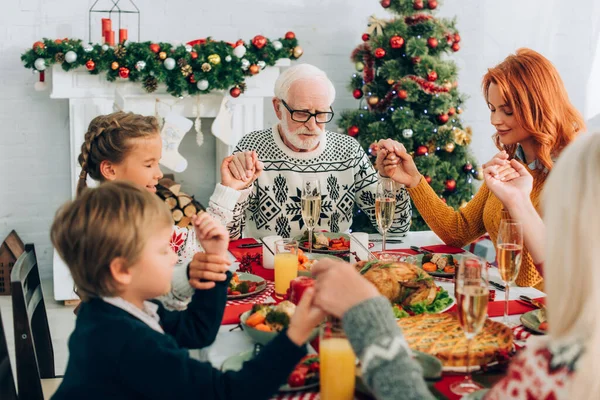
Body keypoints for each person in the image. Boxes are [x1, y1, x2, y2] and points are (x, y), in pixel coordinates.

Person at [312, 133, 600, 400]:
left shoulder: (551, 371)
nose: (496, 120)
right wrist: (517, 200)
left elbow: (536, 274)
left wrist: (372, 324)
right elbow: (460, 231)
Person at [50, 181, 325, 400]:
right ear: (122, 270)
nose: (174, 258)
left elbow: (197, 332)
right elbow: (228, 392)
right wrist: (294, 336)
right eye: (162, 249)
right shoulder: (129, 342)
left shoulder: (119, 309)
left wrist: (216, 255)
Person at [377, 48, 585, 289]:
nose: (495, 121)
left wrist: (513, 200)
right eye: (492, 109)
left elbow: (526, 277)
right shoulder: (510, 162)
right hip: (516, 302)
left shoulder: (571, 173)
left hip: (547, 316)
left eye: (507, 110)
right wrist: (414, 180)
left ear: (537, 106)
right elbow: (458, 231)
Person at [208, 63, 412, 239]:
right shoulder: (252, 148)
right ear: (278, 108)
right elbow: (227, 236)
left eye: (321, 114)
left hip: (333, 264)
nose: (313, 125)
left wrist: (389, 181)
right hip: (271, 266)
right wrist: (234, 191)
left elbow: (396, 229)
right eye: (302, 113)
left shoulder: (348, 150)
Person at [76, 111, 248, 309]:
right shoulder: (115, 227)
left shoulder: (136, 213)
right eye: (149, 164)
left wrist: (229, 189)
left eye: (157, 162)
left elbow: (189, 246)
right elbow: (160, 296)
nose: (159, 174)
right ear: (110, 170)